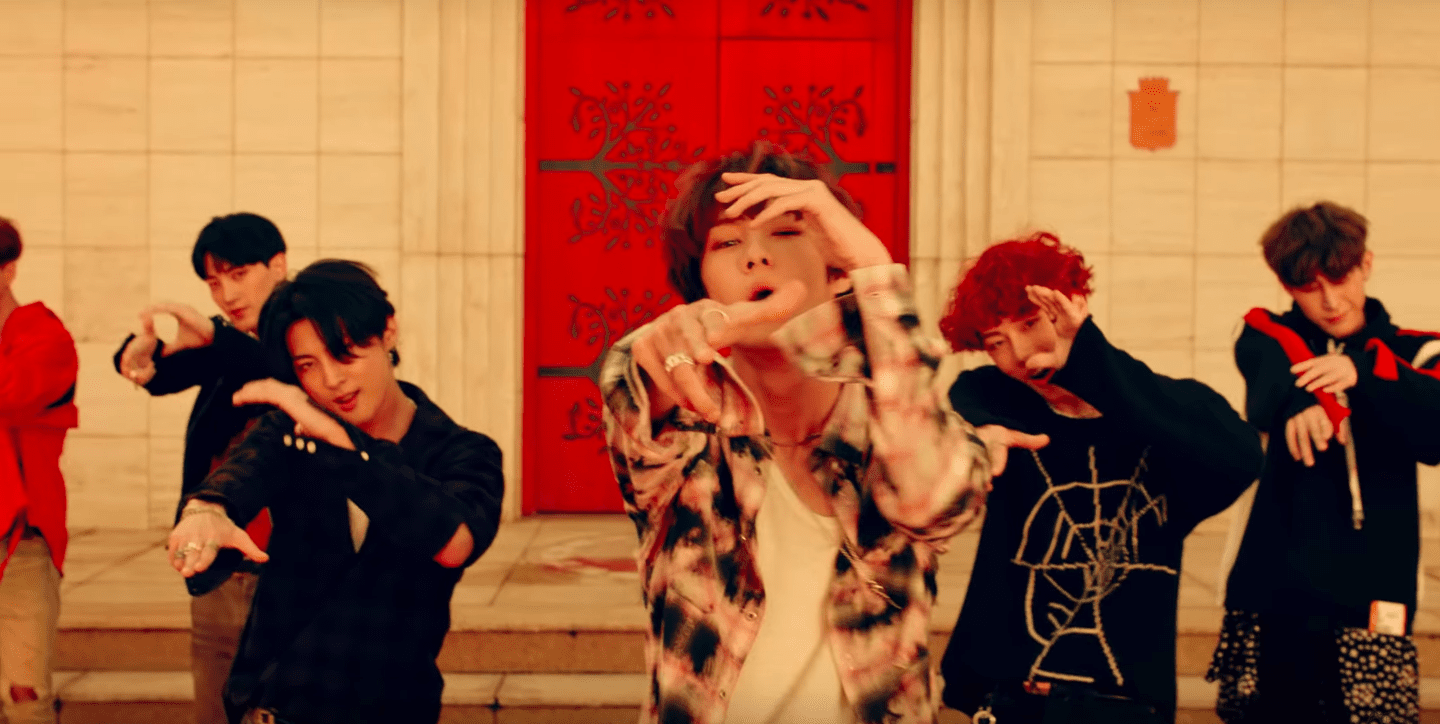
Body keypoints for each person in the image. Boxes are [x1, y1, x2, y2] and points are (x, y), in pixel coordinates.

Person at [599, 143, 990, 724]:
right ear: (700, 282)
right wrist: (662, 345)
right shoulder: (687, 433)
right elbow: (634, 380)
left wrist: (877, 277)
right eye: (727, 243)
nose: (756, 256)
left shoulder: (900, 422)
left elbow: (936, 503)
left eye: (785, 233)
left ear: (837, 270)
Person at [934, 233, 1262, 723]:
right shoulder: (997, 405)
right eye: (995, 342)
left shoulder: (1164, 417)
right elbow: (969, 396)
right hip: (1006, 696)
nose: (1020, 354)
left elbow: (1240, 455)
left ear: (1075, 305)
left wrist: (1089, 358)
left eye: (1030, 324)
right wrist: (979, 435)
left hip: (1124, 704)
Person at [165, 260, 504, 724]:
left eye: (344, 355)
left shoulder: (462, 452)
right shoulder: (293, 431)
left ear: (388, 332)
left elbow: (454, 542)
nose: (330, 380)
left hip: (392, 709)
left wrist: (348, 451)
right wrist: (207, 508)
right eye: (308, 365)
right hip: (276, 707)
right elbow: (245, 470)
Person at [1207, 202, 1440, 724]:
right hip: (1276, 589)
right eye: (1309, 287)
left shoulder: (1417, 353)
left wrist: (1360, 374)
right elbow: (1265, 375)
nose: (1330, 301)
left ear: (1366, 264)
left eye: (1339, 278)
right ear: (1286, 286)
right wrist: (1302, 398)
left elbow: (1434, 434)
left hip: (1376, 587)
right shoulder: (1266, 335)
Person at [112, 212, 287, 724]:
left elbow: (273, 365)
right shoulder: (226, 343)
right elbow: (165, 370)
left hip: (289, 565)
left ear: (278, 265)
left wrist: (213, 336)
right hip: (217, 559)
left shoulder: (308, 328)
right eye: (214, 283)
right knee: (214, 700)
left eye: (239, 275)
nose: (227, 294)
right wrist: (142, 354)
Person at [0, 217, 79, 724]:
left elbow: (14, 393)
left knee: (25, 694)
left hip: (21, 541)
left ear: (7, 270)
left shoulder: (45, 337)